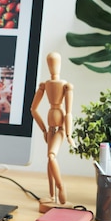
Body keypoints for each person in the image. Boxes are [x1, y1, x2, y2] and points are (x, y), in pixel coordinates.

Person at [30, 52, 75, 211]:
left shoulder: (65, 86)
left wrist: (69, 134)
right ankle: (51, 193)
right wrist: (43, 128)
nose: (52, 66)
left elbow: (68, 112)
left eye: (54, 62)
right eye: (50, 62)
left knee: (51, 156)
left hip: (60, 129)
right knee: (48, 161)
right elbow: (33, 109)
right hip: (49, 128)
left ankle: (61, 188)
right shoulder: (44, 85)